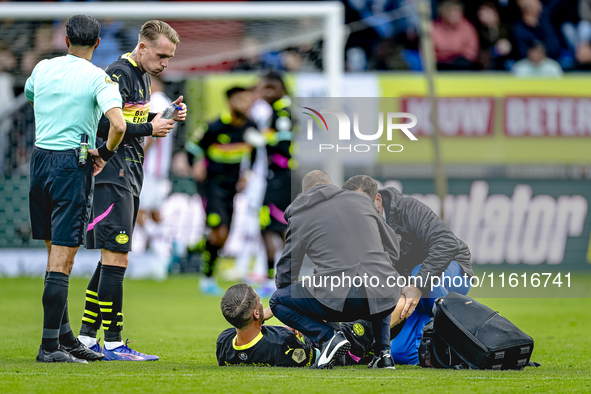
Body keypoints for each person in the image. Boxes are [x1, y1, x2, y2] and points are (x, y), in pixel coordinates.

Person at [77, 20, 186, 361]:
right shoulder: (119, 72)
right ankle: (113, 342)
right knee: (118, 256)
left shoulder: (141, 76)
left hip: (129, 172)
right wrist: (150, 127)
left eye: (169, 57)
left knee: (111, 256)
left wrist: (160, 115)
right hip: (113, 172)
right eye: (161, 55)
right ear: (142, 47)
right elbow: (105, 123)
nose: (165, 63)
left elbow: (129, 117)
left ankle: (84, 336)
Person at [26, 14, 126, 363]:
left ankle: (65, 338)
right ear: (98, 43)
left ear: (65, 39)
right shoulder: (98, 77)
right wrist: (104, 153)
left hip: (40, 162)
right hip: (72, 164)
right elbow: (118, 124)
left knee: (53, 256)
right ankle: (49, 347)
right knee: (63, 261)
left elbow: (32, 97)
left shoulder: (42, 68)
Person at [269, 170, 406, 370]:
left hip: (343, 299)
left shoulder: (300, 215)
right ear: (332, 186)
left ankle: (329, 338)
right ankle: (383, 354)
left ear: (305, 193)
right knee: (379, 275)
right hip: (387, 294)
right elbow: (393, 247)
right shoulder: (362, 201)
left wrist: (300, 311)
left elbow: (287, 272)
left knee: (277, 300)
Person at [341, 175, 472, 365]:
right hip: (410, 289)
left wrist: (418, 285)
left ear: (377, 200)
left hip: (452, 270)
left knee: (418, 274)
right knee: (401, 353)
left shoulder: (407, 209)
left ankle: (462, 334)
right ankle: (439, 351)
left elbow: (447, 243)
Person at [218, 284, 399, 367]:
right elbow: (326, 352)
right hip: (346, 346)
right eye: (259, 300)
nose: (261, 302)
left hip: (319, 336)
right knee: (384, 307)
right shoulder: (282, 345)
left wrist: (263, 316)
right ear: (255, 313)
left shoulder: (224, 343)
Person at [188, 86, 257, 295]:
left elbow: (254, 153)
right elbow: (192, 148)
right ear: (230, 102)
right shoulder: (215, 126)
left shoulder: (251, 127)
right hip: (212, 185)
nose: (245, 104)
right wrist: (196, 165)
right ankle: (206, 278)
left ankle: (206, 268)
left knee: (223, 237)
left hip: (232, 187)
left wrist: (247, 174)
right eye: (240, 100)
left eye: (247, 100)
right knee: (219, 232)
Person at [256, 72, 294, 298]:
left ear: (281, 89)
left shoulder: (282, 113)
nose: (265, 93)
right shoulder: (281, 111)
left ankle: (275, 279)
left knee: (272, 227)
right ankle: (285, 278)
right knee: (279, 227)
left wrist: (261, 137)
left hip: (280, 177)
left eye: (270, 88)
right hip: (280, 176)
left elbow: (283, 142)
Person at [136, 75, 177, 257]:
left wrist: (140, 153)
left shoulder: (155, 102)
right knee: (154, 212)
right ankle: (168, 245)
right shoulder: (167, 103)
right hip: (159, 168)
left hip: (149, 167)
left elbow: (153, 133)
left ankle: (163, 248)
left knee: (137, 210)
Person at [432, 0, 480, 70]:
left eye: (457, 11)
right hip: (441, 63)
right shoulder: (435, 28)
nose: (454, 14)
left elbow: (472, 50)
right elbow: (430, 50)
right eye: (451, 12)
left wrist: (458, 56)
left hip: (461, 63)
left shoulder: (468, 27)